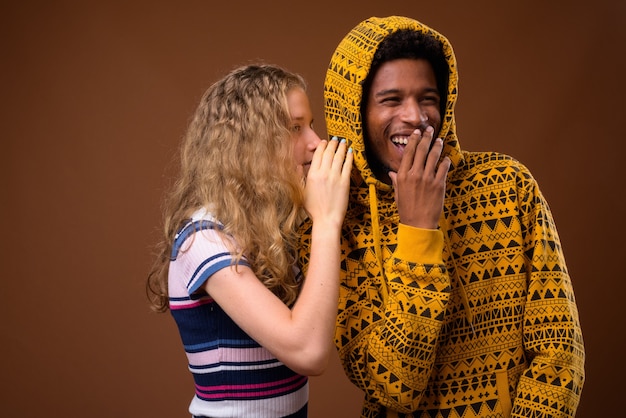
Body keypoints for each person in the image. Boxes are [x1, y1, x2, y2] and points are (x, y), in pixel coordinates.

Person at [297, 16, 585, 418]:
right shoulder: (334, 224)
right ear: (355, 113)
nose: (415, 117)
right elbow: (393, 386)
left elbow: (559, 352)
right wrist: (418, 230)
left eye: (428, 98)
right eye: (391, 99)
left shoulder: (507, 185)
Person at [147, 64, 353, 417]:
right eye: (295, 128)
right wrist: (327, 222)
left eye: (311, 125)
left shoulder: (276, 229)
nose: (316, 143)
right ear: (250, 144)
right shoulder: (203, 239)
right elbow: (308, 351)